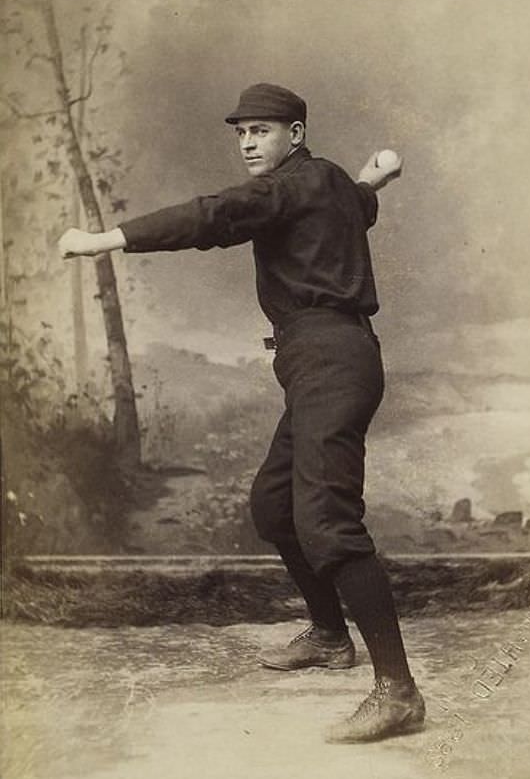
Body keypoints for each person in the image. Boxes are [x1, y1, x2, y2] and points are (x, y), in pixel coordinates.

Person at [58, 82, 425, 744]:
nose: (250, 143)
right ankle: (328, 636)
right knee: (274, 505)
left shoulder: (284, 188)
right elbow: (361, 200)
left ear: (296, 133)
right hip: (329, 362)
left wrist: (104, 239)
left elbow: (211, 217)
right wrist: (379, 175)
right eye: (242, 133)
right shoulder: (333, 184)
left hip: (329, 364)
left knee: (326, 521)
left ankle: (398, 692)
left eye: (263, 130)